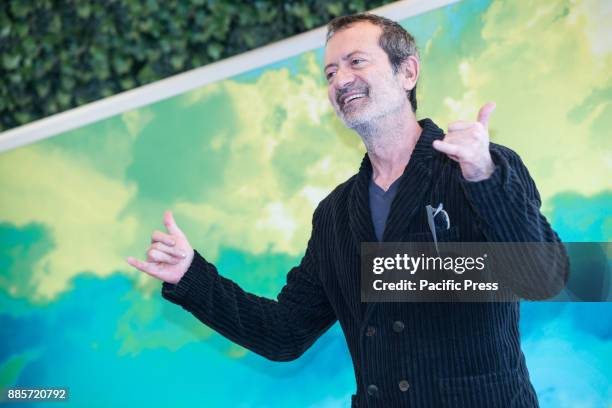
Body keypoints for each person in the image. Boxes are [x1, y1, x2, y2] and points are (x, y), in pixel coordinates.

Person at [127, 13, 566, 408]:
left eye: (357, 62)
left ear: (407, 71)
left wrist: (483, 175)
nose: (340, 80)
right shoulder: (334, 215)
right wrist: (192, 277)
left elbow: (543, 279)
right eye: (330, 72)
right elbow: (285, 333)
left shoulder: (482, 167)